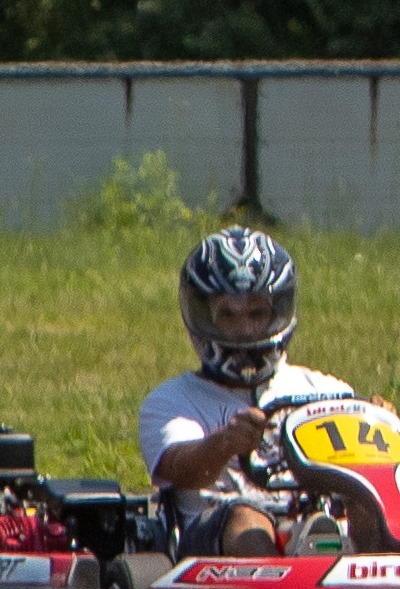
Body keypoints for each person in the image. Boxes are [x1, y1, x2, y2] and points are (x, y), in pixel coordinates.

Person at [139, 228, 356, 552]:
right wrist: (225, 443)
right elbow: (180, 470)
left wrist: (380, 428)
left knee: (374, 511)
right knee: (248, 518)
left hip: (312, 523)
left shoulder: (325, 390)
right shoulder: (173, 400)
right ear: (203, 316)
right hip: (216, 538)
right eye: (228, 315)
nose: (245, 330)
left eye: (257, 314)